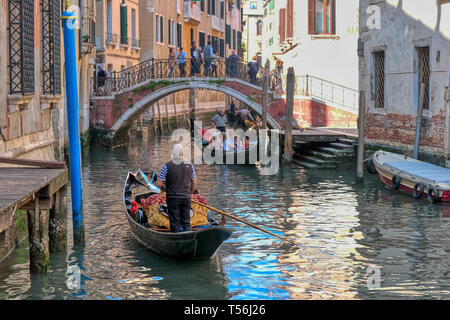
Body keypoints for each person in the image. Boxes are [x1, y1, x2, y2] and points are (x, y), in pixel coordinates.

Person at [155, 144, 197, 233]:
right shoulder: (190, 165)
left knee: (175, 222)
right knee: (186, 222)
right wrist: (190, 193)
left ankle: (177, 238)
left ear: (173, 154)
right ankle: (188, 236)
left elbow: (158, 184)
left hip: (173, 198)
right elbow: (194, 182)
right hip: (186, 198)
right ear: (182, 153)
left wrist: (164, 188)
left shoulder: (167, 166)